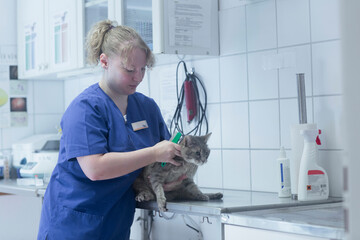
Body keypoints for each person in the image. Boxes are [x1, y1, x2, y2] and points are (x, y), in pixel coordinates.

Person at [37, 20, 182, 240]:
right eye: (130, 69)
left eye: (143, 69)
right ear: (104, 61)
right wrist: (154, 153)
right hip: (73, 224)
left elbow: (162, 159)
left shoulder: (146, 108)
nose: (138, 77)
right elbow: (96, 169)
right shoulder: (85, 108)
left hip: (114, 222)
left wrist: (172, 176)